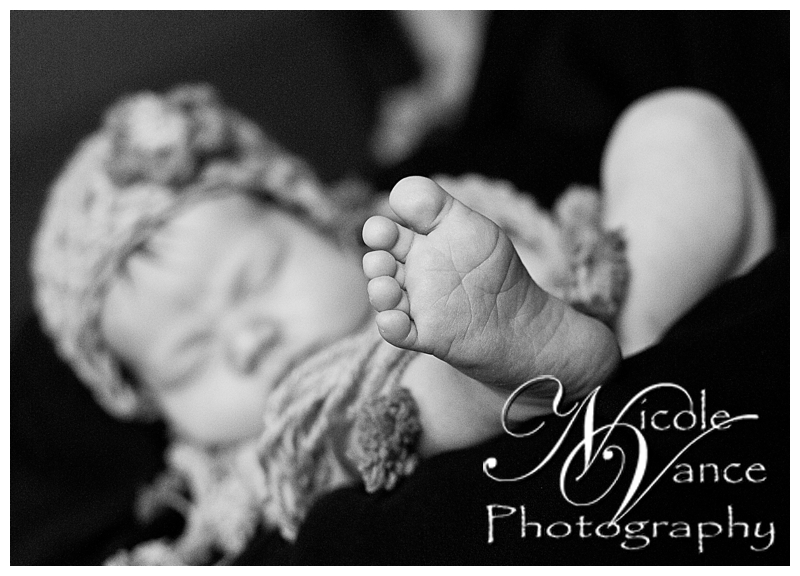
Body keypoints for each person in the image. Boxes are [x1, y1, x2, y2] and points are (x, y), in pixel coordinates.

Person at [29, 82, 773, 564]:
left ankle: (624, 327)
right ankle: (513, 374)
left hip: (589, 276)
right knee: (383, 419)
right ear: (149, 404)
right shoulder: (252, 464)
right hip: (410, 392)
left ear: (320, 222)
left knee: (675, 126)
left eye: (257, 277)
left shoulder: (412, 234)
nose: (247, 340)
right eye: (189, 356)